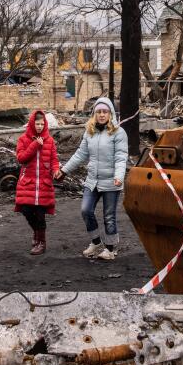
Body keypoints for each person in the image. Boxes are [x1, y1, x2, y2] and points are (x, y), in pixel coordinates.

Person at [56, 96, 127, 260]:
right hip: (92, 180)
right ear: (94, 113)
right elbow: (80, 154)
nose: (102, 115)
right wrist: (64, 170)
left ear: (110, 114)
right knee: (86, 210)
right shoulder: (90, 132)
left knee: (109, 217)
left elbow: (121, 157)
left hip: (111, 181)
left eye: (105, 112)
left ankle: (110, 249)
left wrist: (119, 176)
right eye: (99, 112)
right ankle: (96, 243)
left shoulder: (118, 132)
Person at [15, 109, 59, 256]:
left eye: (42, 124)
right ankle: (36, 232)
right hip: (28, 183)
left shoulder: (50, 141)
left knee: (40, 214)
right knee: (26, 211)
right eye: (37, 123)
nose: (39, 126)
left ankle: (42, 243)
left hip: (44, 184)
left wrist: (56, 171)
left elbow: (54, 160)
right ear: (32, 124)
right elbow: (21, 158)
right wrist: (34, 145)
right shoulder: (23, 139)